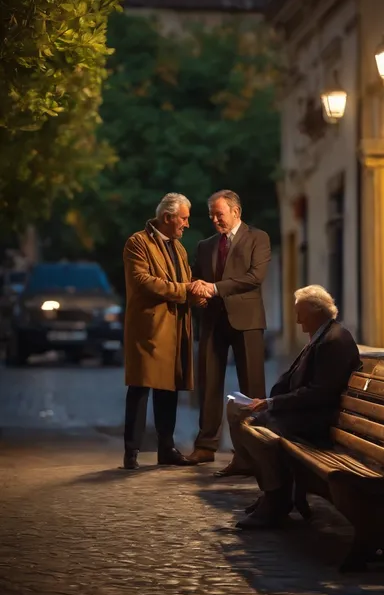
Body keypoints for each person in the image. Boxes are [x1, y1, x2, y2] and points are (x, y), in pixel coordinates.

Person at [229, 285, 361, 529]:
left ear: (316, 311)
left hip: (320, 421)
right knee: (243, 417)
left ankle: (276, 499)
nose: (298, 320)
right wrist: (270, 403)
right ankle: (273, 493)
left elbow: (319, 393)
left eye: (301, 313)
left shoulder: (333, 341)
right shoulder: (322, 336)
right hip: (309, 413)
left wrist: (272, 403)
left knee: (261, 433)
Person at [185, 190, 271, 476]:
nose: (214, 219)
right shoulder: (205, 245)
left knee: (252, 387)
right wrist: (197, 290)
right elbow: (197, 276)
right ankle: (206, 446)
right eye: (211, 214)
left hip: (247, 321)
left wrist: (214, 288)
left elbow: (254, 277)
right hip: (212, 321)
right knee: (208, 384)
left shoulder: (258, 238)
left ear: (236, 212)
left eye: (219, 214)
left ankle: (252, 450)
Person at [122, 193, 205, 470]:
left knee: (169, 387)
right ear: (167, 218)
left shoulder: (179, 248)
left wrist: (198, 293)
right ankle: (131, 452)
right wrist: (185, 291)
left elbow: (187, 281)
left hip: (176, 325)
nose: (187, 224)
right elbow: (143, 281)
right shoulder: (137, 242)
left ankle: (166, 448)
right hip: (150, 325)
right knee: (141, 385)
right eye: (183, 218)